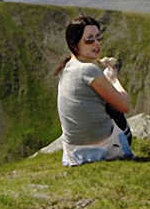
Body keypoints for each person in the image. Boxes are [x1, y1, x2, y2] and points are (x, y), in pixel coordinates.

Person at [54, 14, 134, 166]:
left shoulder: (66, 67)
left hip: (74, 151)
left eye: (98, 37)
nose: (96, 43)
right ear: (74, 43)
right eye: (89, 39)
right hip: (100, 147)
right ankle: (119, 152)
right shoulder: (89, 70)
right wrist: (113, 80)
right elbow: (125, 105)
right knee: (116, 111)